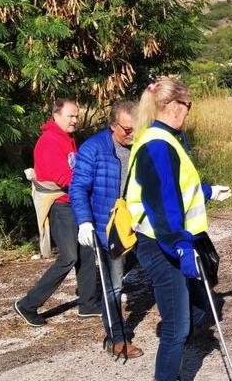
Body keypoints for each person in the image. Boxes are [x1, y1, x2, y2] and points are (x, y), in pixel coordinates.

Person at [126, 78, 232, 381]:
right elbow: (163, 203)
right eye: (188, 105)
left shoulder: (167, 139)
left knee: (199, 306)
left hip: (176, 239)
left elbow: (175, 186)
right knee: (175, 328)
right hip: (163, 244)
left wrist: (208, 191)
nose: (189, 111)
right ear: (173, 105)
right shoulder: (157, 144)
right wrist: (180, 245)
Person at [15, 99, 101, 327]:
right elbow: (66, 177)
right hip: (60, 205)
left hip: (73, 202)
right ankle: (28, 304)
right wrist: (93, 187)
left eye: (76, 116)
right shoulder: (49, 141)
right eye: (70, 116)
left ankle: (88, 304)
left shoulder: (66, 138)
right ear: (56, 115)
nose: (74, 120)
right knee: (69, 257)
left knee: (86, 252)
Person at [69, 99, 143, 359]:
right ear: (113, 126)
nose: (132, 134)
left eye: (136, 128)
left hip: (140, 224)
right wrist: (84, 221)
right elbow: (77, 187)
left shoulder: (142, 145)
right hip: (108, 227)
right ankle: (117, 338)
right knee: (113, 285)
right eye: (126, 129)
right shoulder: (93, 149)